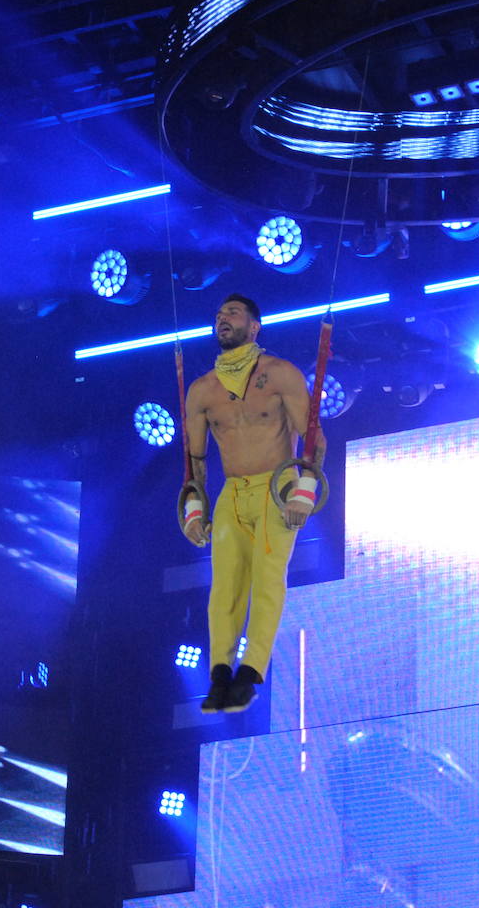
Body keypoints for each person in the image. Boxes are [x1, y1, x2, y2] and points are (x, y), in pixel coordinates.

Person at [181, 294, 325, 713]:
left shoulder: (279, 374)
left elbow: (313, 438)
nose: (222, 318)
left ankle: (251, 671)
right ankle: (221, 671)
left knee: (266, 578)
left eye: (233, 313)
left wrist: (304, 490)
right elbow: (194, 459)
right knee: (224, 586)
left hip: (277, 486)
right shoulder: (202, 391)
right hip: (232, 491)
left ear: (255, 326)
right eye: (219, 314)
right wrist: (195, 508)